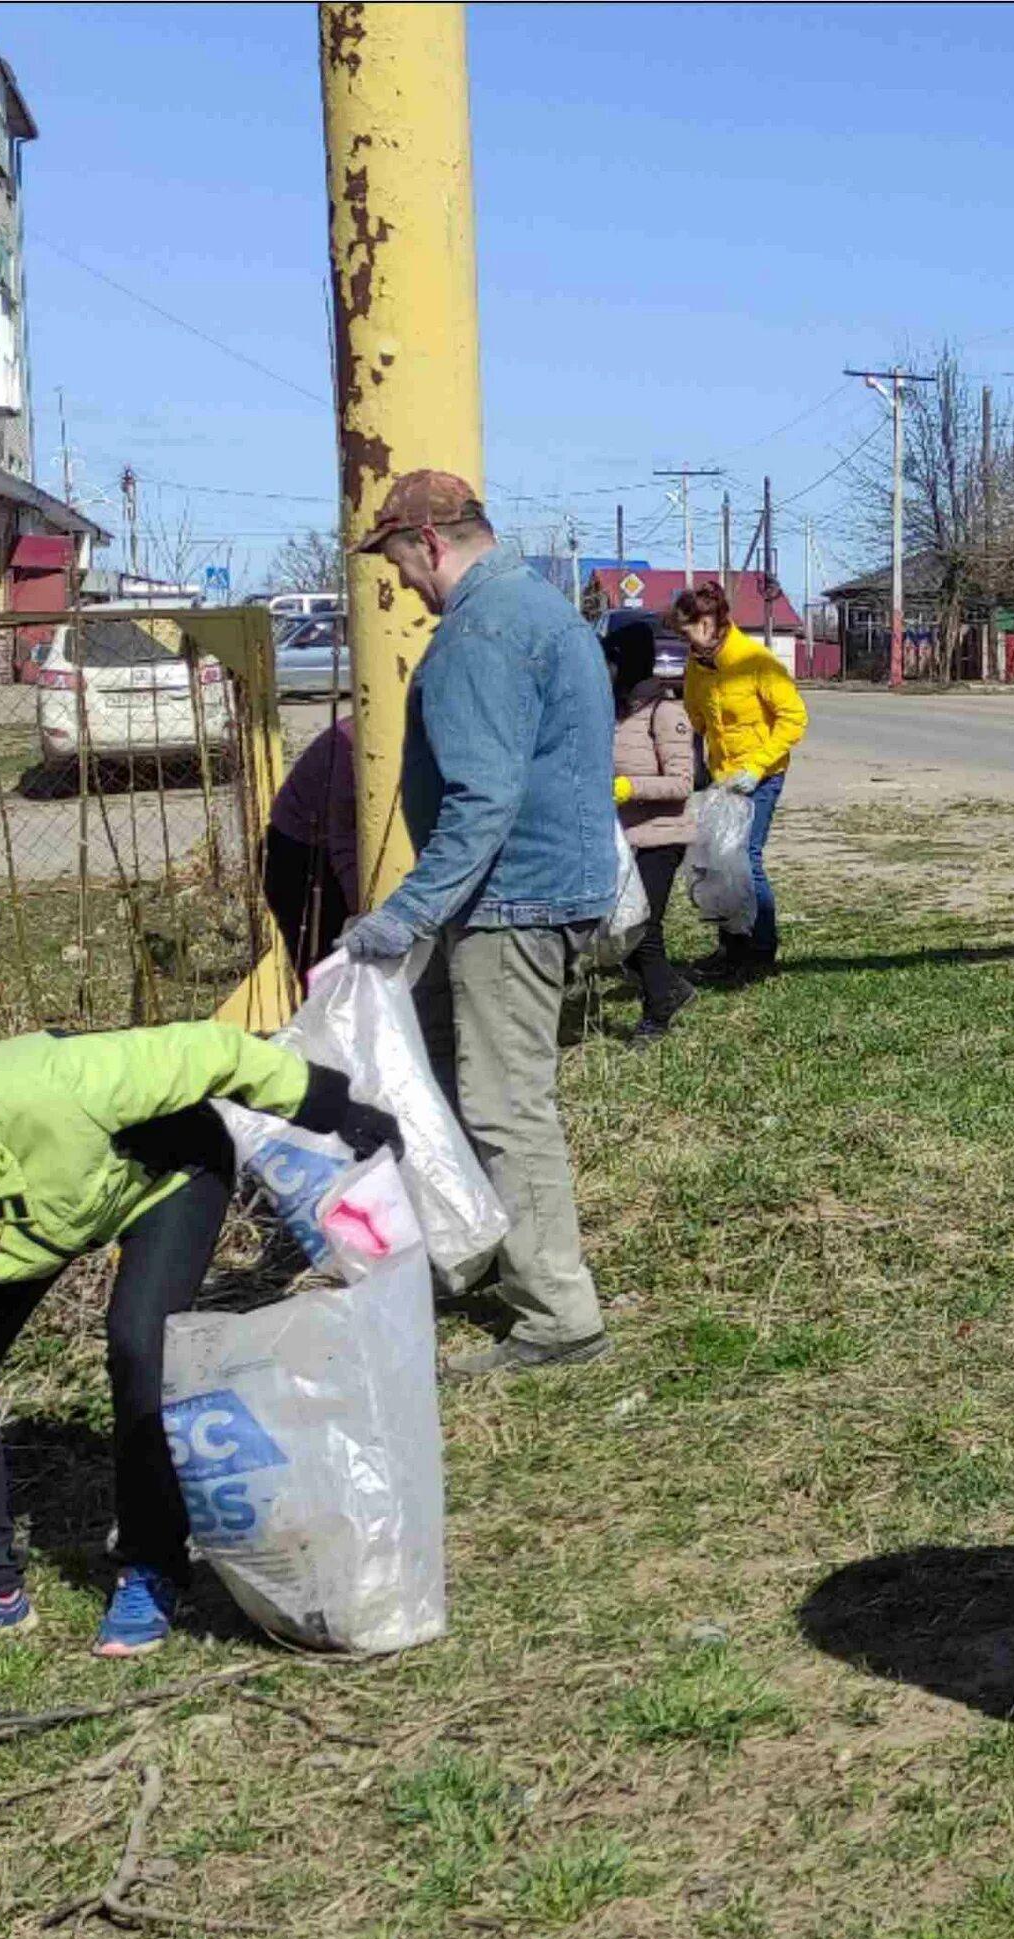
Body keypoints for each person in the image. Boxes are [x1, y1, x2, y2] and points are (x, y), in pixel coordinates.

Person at [0, 1024, 400, 1682]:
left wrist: (333, 1107)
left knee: (140, 1341)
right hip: (27, 1224)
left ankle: (152, 1561)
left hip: (163, 1175)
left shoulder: (62, 1083)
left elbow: (216, 1052)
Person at [334, 469, 618, 1374]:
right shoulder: (540, 608)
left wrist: (404, 915)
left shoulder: (478, 634)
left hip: (508, 905)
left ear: (430, 542)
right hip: (547, 891)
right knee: (475, 1091)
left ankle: (558, 1316)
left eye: (399, 562)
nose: (402, 584)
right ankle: (480, 1253)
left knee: (504, 1108)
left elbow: (483, 798)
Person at [670, 579, 807, 982]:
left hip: (760, 777)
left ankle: (761, 952)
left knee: (747, 859)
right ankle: (731, 946)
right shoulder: (698, 664)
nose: (685, 638)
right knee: (719, 863)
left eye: (689, 629)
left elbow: (793, 718)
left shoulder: (754, 660)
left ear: (711, 621)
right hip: (722, 779)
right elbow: (695, 715)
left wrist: (759, 766)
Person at [605, 618, 700, 1041]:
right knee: (619, 929)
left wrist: (630, 788)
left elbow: (683, 782)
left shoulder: (666, 712)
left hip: (663, 835)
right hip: (623, 839)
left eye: (611, 661)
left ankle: (657, 1011)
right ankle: (673, 987)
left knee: (643, 929)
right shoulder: (613, 710)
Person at [262, 715, 359, 984]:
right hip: (301, 857)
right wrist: (367, 914)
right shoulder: (354, 743)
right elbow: (344, 838)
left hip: (333, 852)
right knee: (326, 978)